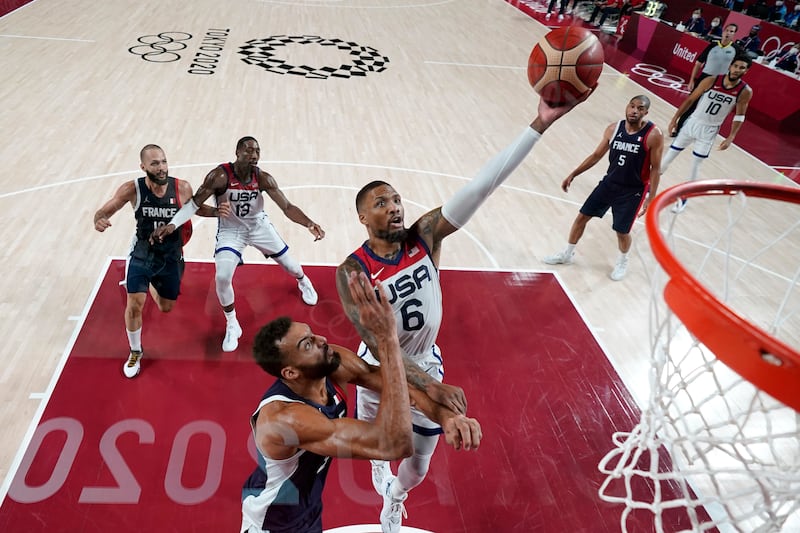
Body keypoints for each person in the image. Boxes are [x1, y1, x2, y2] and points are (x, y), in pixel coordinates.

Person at [336, 92, 590, 532]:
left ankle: (394, 497)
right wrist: (435, 388)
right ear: (362, 217)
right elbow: (381, 343)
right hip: (377, 369)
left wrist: (539, 124)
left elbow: (480, 186)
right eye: (381, 203)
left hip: (424, 360)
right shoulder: (352, 271)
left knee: (414, 469)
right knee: (377, 446)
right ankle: (380, 470)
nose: (394, 206)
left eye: (396, 199)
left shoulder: (426, 237)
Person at [240, 271, 482, 533]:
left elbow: (395, 384)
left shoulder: (332, 363)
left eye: (313, 334)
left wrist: (448, 417)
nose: (321, 340)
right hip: (273, 523)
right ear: (290, 372)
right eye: (307, 344)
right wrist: (387, 340)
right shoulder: (284, 419)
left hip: (306, 509)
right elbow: (393, 444)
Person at [154, 136, 325, 352]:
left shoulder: (263, 178)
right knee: (223, 276)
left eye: (257, 151)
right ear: (237, 152)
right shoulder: (219, 176)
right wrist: (172, 225)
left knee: (291, 266)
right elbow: (194, 204)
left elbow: (287, 207)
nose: (254, 155)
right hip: (230, 230)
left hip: (258, 227)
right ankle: (232, 323)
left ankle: (303, 281)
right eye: (248, 150)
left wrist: (309, 223)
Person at [93, 144, 224, 378]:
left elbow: (195, 208)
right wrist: (99, 220)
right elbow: (103, 211)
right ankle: (135, 351)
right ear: (143, 166)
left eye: (163, 161)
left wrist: (216, 212)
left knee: (166, 307)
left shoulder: (181, 187)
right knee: (134, 304)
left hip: (171, 255)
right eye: (155, 163)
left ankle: (151, 283)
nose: (162, 167)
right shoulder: (132, 189)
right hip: (143, 252)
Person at [542, 95, 664, 281]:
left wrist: (651, 197)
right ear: (626, 106)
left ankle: (623, 261)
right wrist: (574, 173)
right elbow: (596, 155)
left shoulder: (653, 135)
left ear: (646, 112)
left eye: (639, 108)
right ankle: (567, 253)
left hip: (633, 190)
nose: (634, 111)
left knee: (622, 231)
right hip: (609, 184)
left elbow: (655, 168)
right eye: (632, 106)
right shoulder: (613, 129)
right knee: (582, 217)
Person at [661, 56, 753, 213]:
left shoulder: (745, 91)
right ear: (730, 66)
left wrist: (731, 137)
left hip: (709, 130)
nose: (737, 69)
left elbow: (739, 116)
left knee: (696, 165)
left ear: (746, 70)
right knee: (669, 156)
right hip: (693, 123)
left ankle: (685, 198)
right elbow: (690, 100)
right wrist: (675, 119)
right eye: (736, 66)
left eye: (742, 67)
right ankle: (648, 185)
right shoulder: (712, 80)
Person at [673, 23, 739, 136]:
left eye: (732, 31)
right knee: (691, 104)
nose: (729, 33)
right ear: (723, 31)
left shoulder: (736, 50)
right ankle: (679, 129)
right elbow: (698, 63)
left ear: (734, 34)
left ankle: (700, 133)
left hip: (719, 82)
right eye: (727, 30)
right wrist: (692, 80)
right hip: (704, 77)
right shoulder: (712, 45)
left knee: (707, 110)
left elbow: (740, 66)